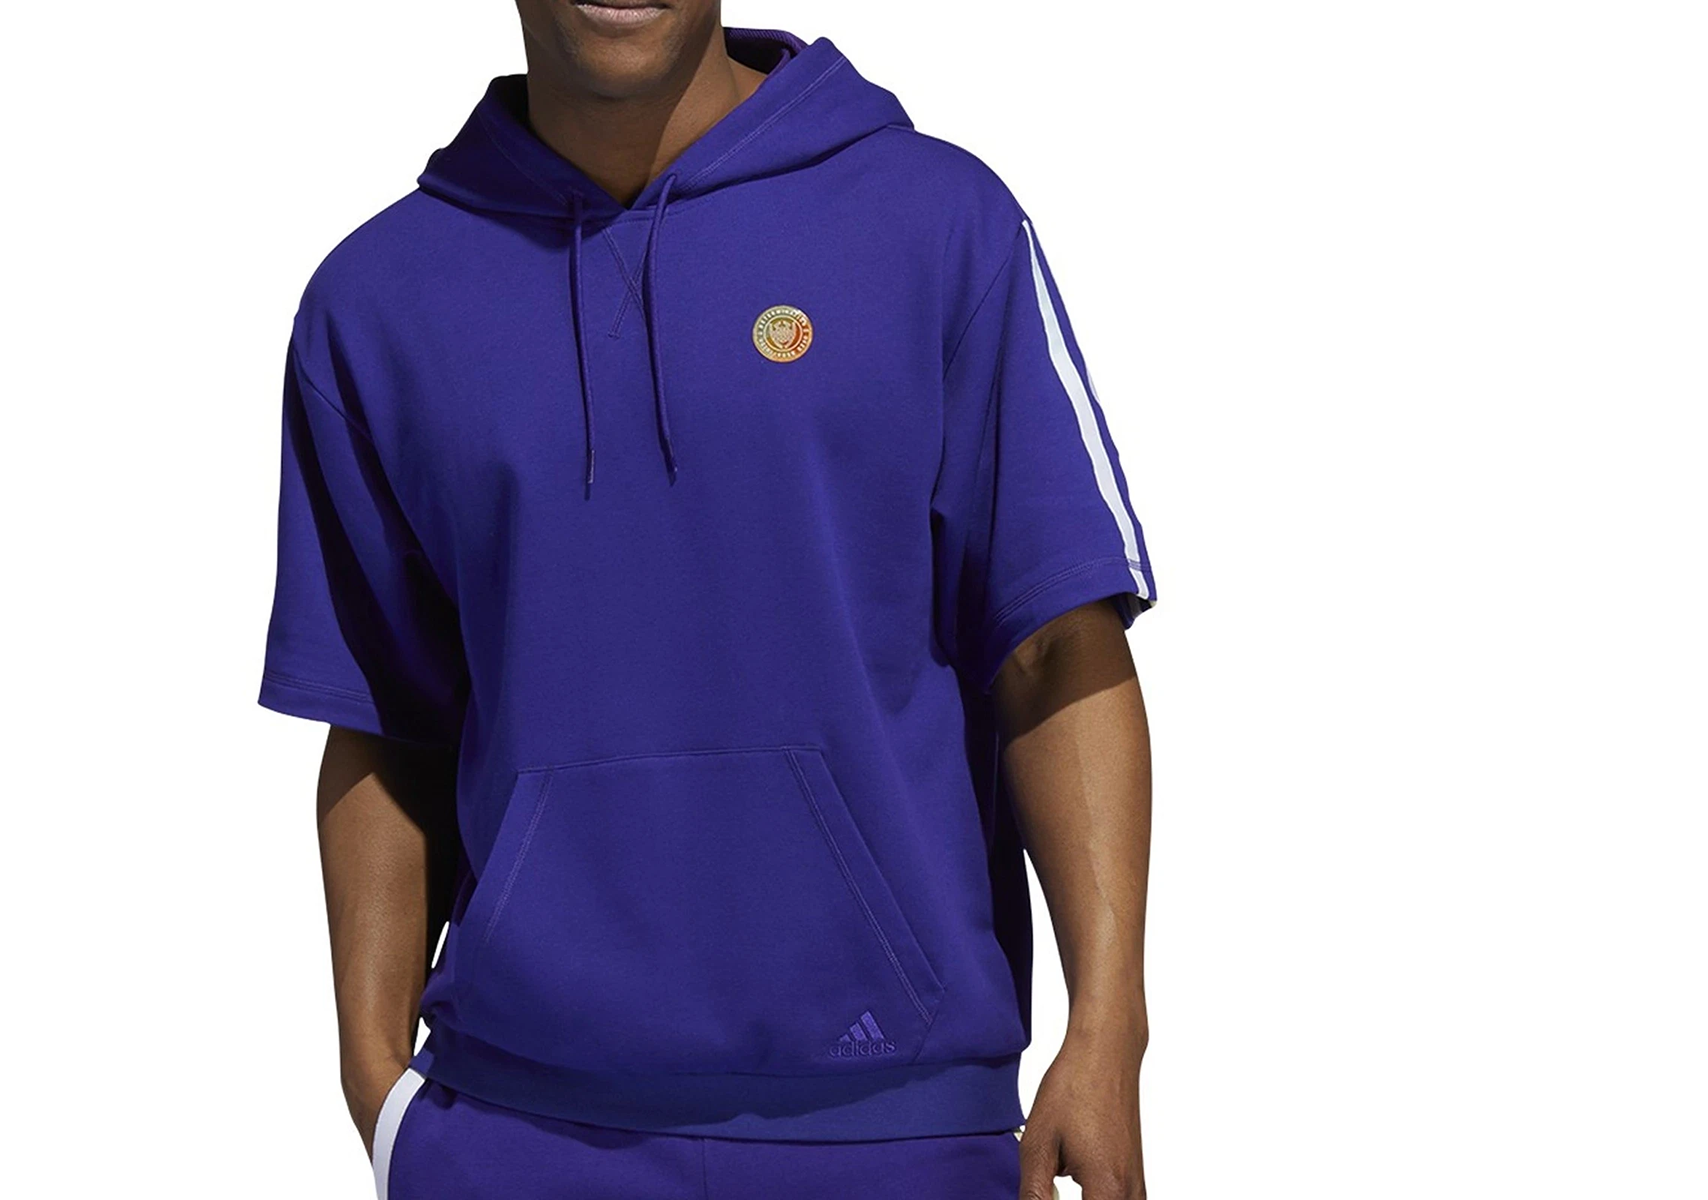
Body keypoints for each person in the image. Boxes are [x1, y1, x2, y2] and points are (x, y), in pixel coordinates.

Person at [259, 3, 1157, 1197]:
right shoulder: (377, 299)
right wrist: (380, 1096)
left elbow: (1052, 642)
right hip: (515, 1131)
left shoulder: (936, 224)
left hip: (893, 1132)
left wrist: (1107, 1031)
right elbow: (383, 721)